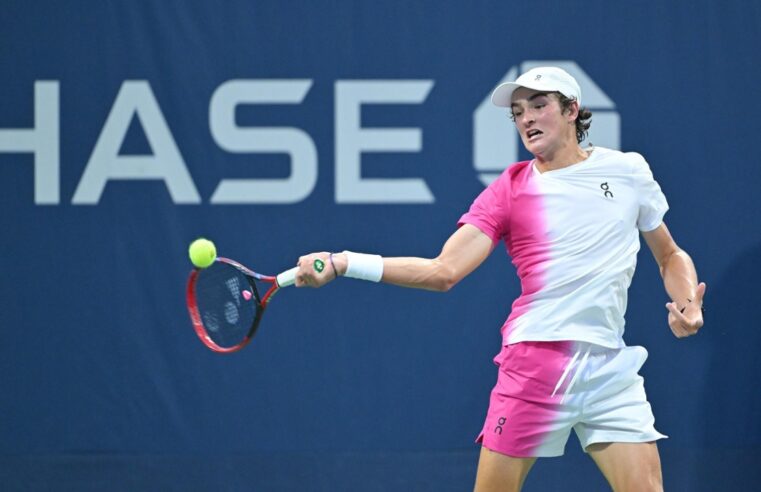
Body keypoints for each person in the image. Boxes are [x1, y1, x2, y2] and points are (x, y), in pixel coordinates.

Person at [293, 66, 705, 492]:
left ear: (572, 111)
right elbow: (442, 271)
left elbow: (669, 254)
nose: (526, 119)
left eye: (539, 105)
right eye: (518, 112)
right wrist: (344, 262)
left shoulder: (628, 171)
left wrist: (688, 301)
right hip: (535, 364)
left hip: (609, 366)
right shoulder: (509, 191)